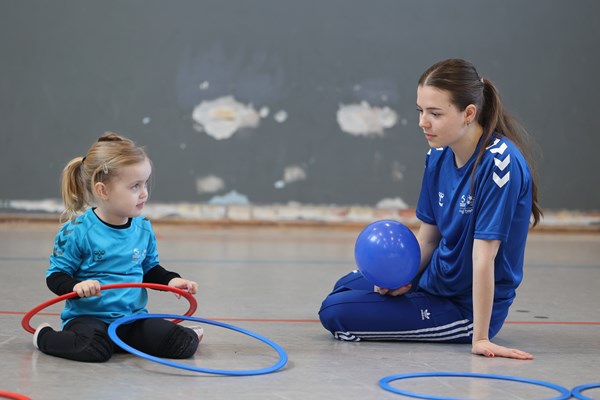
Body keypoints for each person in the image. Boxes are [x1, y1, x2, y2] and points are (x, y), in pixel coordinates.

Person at [319, 58, 542, 360]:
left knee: (336, 312)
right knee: (345, 286)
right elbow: (428, 240)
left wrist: (480, 337)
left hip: (462, 308)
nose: (423, 122)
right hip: (434, 281)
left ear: (469, 113)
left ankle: (462, 326)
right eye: (420, 111)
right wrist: (402, 279)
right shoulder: (438, 155)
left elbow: (483, 258)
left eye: (435, 113)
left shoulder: (499, 164)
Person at [33, 132, 203, 362]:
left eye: (145, 184)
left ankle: (129, 340)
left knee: (183, 345)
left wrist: (172, 281)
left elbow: (149, 269)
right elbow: (55, 276)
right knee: (93, 350)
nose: (144, 193)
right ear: (103, 190)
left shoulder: (143, 228)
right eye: (135, 186)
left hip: (131, 319)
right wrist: (78, 285)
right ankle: (44, 336)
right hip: (89, 319)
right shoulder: (77, 231)